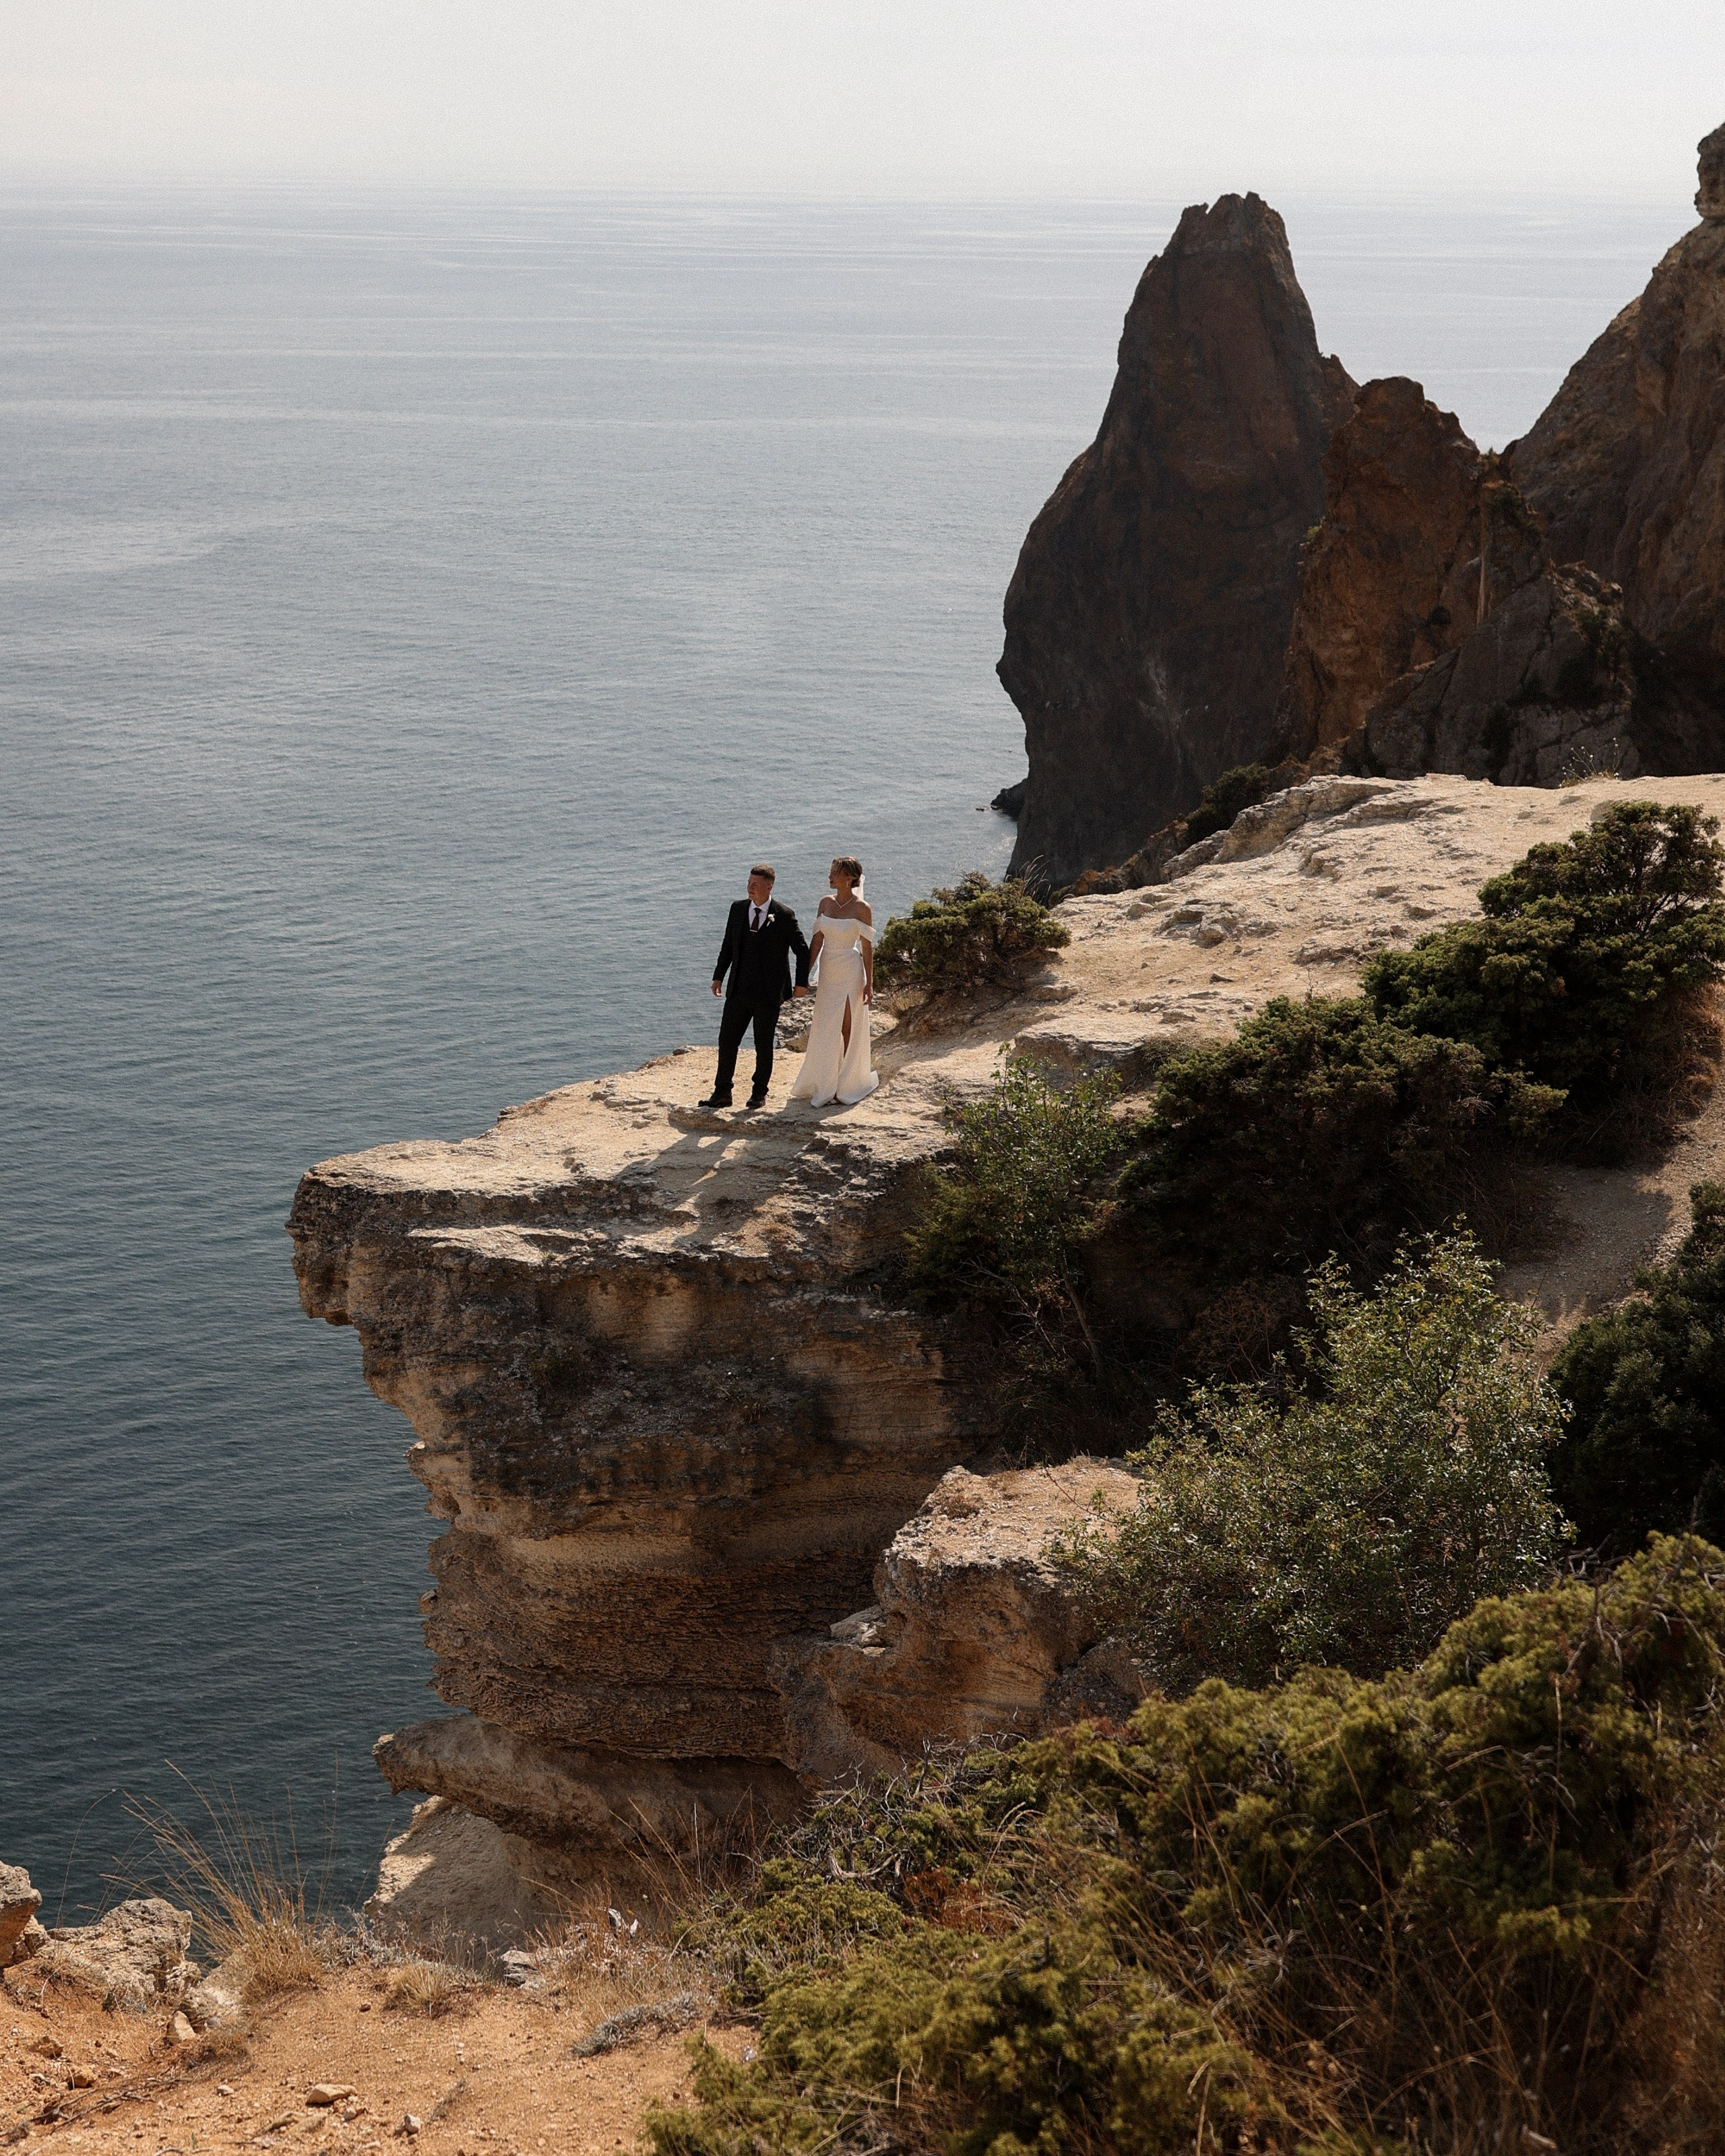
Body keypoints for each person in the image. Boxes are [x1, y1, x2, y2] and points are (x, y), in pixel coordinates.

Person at [700, 864, 810, 1110]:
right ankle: (722, 1092)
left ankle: (759, 1093)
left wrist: (802, 984)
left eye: (756, 884)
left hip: (768, 993)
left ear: (769, 887)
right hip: (738, 989)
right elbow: (728, 945)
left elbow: (802, 951)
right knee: (727, 1041)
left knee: (763, 1045)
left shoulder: (783, 914)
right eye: (749, 882)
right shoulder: (738, 909)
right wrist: (719, 976)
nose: (750, 887)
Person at [790, 855, 878, 1108]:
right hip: (828, 970)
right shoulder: (825, 904)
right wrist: (803, 976)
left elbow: (867, 948)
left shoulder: (863, 908)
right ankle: (824, 1080)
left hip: (851, 970)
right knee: (826, 1024)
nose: (829, 876)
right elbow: (817, 941)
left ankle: (846, 1083)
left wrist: (869, 983)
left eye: (834, 872)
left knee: (847, 1025)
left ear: (849, 877)